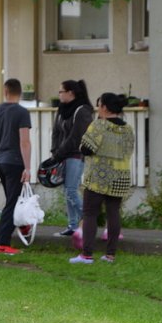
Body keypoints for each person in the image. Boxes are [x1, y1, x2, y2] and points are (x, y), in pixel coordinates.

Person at [70, 93, 135, 264]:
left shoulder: (98, 125)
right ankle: (110, 255)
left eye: (99, 106)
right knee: (113, 213)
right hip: (120, 176)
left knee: (90, 213)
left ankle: (87, 255)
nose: (98, 109)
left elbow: (86, 149)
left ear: (105, 107)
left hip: (98, 176)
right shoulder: (128, 129)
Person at [45, 79, 93, 237]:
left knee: (71, 190)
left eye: (61, 91)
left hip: (75, 155)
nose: (59, 94)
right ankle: (73, 226)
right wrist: (55, 152)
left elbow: (76, 137)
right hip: (62, 155)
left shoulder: (82, 111)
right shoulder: (62, 109)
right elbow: (56, 132)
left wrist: (59, 154)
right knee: (67, 191)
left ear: (70, 93)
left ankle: (89, 218)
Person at [0, 78, 32, 255]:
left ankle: (23, 226)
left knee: (13, 200)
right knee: (12, 202)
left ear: (5, 91)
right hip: (14, 160)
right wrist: (28, 168)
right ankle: (1, 243)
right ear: (20, 92)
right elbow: (24, 141)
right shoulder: (22, 112)